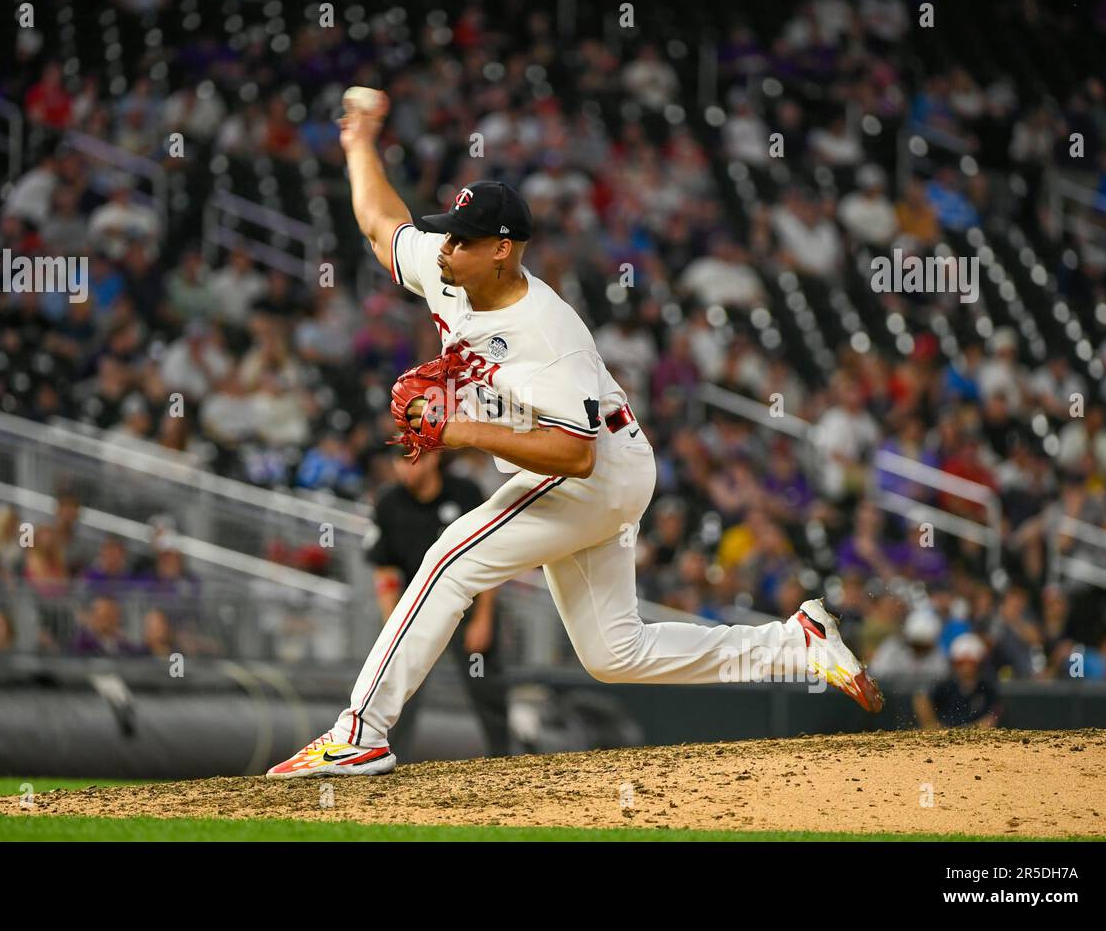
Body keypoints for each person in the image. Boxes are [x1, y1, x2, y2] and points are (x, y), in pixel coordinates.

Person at [267, 88, 883, 779]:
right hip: (601, 465)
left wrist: (462, 432)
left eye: (462, 240)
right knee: (613, 653)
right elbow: (382, 223)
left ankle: (361, 730)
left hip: (595, 467)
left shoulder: (546, 336)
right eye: (447, 233)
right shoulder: (450, 270)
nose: (445, 248)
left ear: (502, 250)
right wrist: (358, 144)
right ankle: (795, 645)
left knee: (448, 560)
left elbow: (576, 455)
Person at [365, 451, 509, 762]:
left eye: (408, 458)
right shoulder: (389, 501)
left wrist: (484, 618)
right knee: (399, 688)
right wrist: (393, 624)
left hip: (467, 603)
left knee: (486, 688)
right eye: (397, 460)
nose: (401, 467)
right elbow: (384, 568)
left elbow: (492, 556)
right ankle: (385, 761)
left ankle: (505, 761)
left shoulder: (465, 493)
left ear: (430, 459)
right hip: (415, 606)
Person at [914, 633, 1001, 729]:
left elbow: (992, 717)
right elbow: (921, 698)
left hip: (976, 739)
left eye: (971, 663)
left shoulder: (987, 689)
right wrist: (932, 726)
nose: (965, 668)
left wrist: (962, 732)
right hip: (944, 738)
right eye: (960, 663)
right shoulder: (946, 686)